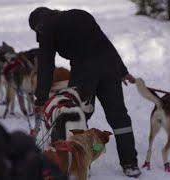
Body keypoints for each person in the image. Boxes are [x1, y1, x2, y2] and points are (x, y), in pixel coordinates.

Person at [29, 7, 141, 178]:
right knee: (119, 118)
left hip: (84, 73)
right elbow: (105, 43)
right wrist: (122, 70)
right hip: (109, 68)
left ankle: (72, 165)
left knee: (74, 116)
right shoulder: (79, 14)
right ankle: (130, 164)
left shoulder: (46, 27)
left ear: (38, 26)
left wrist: (41, 99)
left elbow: (46, 65)